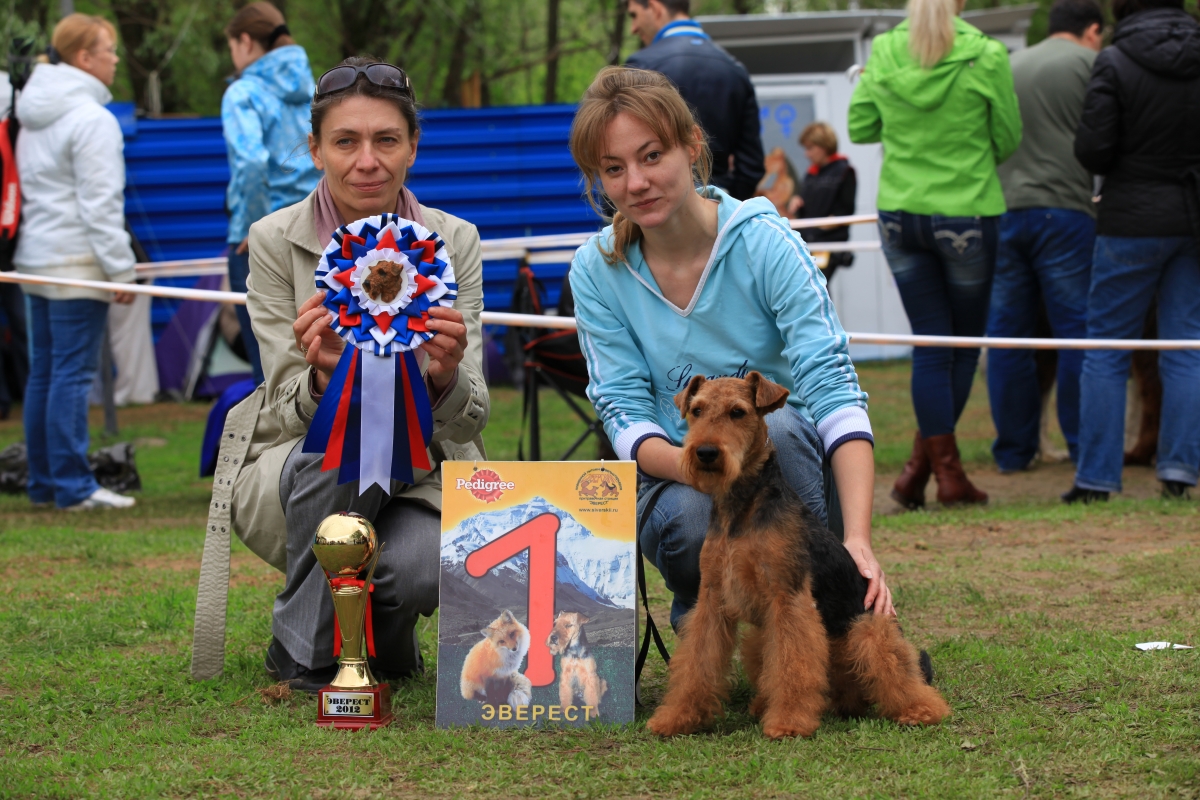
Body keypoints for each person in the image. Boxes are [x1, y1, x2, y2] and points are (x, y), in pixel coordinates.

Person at [568, 67, 893, 634]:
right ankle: (707, 606)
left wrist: (858, 541)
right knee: (695, 518)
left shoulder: (767, 242)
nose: (636, 182)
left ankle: (816, 606)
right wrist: (697, 465)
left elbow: (834, 387)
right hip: (676, 479)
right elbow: (621, 409)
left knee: (785, 428)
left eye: (651, 156)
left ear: (691, 145)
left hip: (792, 473)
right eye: (613, 169)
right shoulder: (596, 271)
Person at [217, 57, 488, 690]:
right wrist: (320, 383)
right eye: (346, 141)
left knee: (418, 568)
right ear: (315, 149)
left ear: (413, 148)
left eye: (386, 139)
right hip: (302, 465)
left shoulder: (456, 240)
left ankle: (364, 649)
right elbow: (282, 404)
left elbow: (473, 414)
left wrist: (445, 378)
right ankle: (308, 649)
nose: (367, 160)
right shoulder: (273, 240)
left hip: (426, 469)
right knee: (346, 447)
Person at [849, 0, 1021, 509]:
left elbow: (860, 126)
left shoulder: (884, 50)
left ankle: (919, 473)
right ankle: (945, 476)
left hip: (899, 214)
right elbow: (1008, 137)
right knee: (962, 345)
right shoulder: (985, 55)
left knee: (930, 343)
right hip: (966, 211)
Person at [1064, 0, 1200, 503]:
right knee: (1186, 344)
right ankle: (1181, 471)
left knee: (1106, 348)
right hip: (1192, 217)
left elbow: (1093, 149)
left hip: (1130, 220)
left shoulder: (1115, 61)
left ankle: (1097, 478)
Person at [15, 14, 138, 510]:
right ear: (84, 57)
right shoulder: (91, 119)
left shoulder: (33, 114)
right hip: (77, 262)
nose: (114, 59)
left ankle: (45, 483)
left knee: (45, 370)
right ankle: (72, 486)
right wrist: (120, 268)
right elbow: (100, 204)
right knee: (70, 373)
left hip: (36, 258)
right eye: (109, 50)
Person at [986, 0, 1104, 475]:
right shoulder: (1092, 64)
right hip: (1066, 211)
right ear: (1092, 31)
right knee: (1076, 333)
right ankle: (1081, 446)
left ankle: (1014, 451)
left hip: (1004, 210)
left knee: (1007, 337)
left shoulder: (1010, 64)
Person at [222, 1, 320, 385]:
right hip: (322, 230)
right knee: (322, 355)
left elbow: (249, 163)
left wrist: (252, 226)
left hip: (264, 239)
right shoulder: (316, 89)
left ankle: (276, 447)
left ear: (245, 41)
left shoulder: (243, 93)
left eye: (232, 46)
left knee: (270, 369)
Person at [625, 0, 764, 201]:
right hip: (719, 212)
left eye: (634, 15)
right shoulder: (735, 70)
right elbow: (752, 165)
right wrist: (724, 209)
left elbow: (620, 149)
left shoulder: (641, 67)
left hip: (657, 213)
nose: (633, 28)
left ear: (655, 8)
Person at [790, 121, 857, 283]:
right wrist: (797, 202)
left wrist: (828, 223)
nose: (807, 154)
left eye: (810, 148)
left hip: (829, 243)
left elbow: (846, 209)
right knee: (812, 287)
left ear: (824, 145)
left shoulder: (845, 172)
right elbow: (805, 207)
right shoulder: (811, 174)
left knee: (815, 285)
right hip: (808, 240)